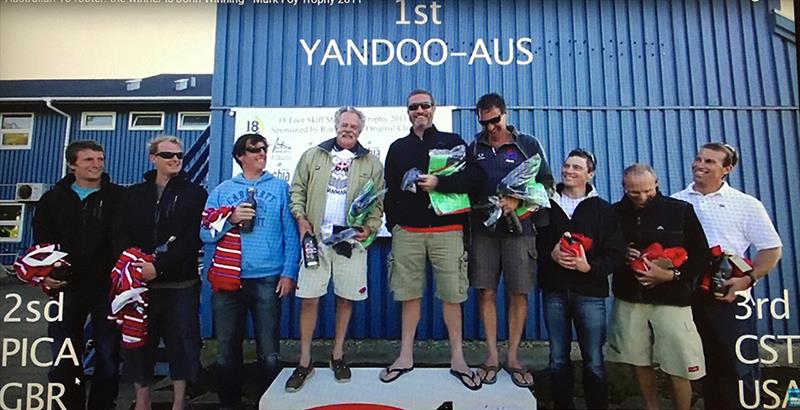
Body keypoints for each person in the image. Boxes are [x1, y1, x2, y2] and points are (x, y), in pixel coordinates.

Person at [381, 89, 483, 390]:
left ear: (434, 108)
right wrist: (395, 223)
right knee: (408, 295)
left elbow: (474, 181)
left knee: (452, 296)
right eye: (414, 107)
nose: (419, 111)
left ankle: (458, 359)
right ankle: (405, 356)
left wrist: (440, 183)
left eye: (425, 105)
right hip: (408, 235)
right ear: (408, 111)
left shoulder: (452, 142)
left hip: (447, 232)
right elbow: (389, 190)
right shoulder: (398, 147)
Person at [672, 143, 782, 410]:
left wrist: (748, 279)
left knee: (737, 364)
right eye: (698, 158)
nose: (700, 165)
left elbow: (771, 248)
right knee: (702, 362)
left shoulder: (745, 205)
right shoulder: (676, 202)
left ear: (727, 169)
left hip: (729, 294)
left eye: (709, 161)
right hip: (688, 293)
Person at [285, 106, 385, 391]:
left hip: (349, 243)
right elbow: (297, 190)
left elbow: (377, 204)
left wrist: (371, 227)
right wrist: (301, 218)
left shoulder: (372, 163)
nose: (348, 129)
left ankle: (337, 354)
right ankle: (304, 361)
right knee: (309, 299)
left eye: (354, 125)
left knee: (345, 299)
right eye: (344, 124)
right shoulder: (313, 155)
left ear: (361, 130)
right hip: (315, 241)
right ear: (336, 125)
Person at [201, 133, 301, 409]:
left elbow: (290, 235)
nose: (261, 153)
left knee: (269, 353)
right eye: (254, 149)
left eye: (264, 149)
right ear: (240, 156)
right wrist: (230, 219)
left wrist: (289, 272)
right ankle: (229, 403)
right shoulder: (222, 190)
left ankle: (267, 403)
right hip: (229, 280)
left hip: (268, 277)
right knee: (225, 351)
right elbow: (204, 233)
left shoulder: (281, 187)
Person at [113, 135, 207, 410]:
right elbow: (120, 233)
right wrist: (135, 264)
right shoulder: (132, 194)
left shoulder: (195, 193)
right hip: (140, 284)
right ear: (153, 158)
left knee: (181, 343)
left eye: (179, 155)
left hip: (180, 284)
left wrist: (160, 266)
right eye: (168, 155)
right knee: (140, 343)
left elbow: (193, 238)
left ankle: (179, 401)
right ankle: (142, 398)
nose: (175, 160)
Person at [466, 93, 553, 388]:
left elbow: (547, 185)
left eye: (495, 120)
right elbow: (463, 187)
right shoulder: (473, 147)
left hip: (521, 231)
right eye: (484, 122)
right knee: (485, 293)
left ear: (505, 114)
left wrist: (518, 199)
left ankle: (513, 356)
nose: (491, 127)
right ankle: (491, 356)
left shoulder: (528, 144)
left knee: (518, 293)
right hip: (483, 232)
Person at [608, 164, 710, 410]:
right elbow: (605, 251)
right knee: (638, 360)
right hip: (631, 299)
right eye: (634, 193)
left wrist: (672, 275)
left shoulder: (680, 210)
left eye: (647, 192)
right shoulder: (614, 213)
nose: (642, 198)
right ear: (624, 188)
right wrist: (621, 253)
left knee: (680, 363)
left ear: (657, 184)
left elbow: (701, 255)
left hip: (673, 300)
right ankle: (652, 406)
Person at [32, 140, 124, 410]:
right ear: (72, 165)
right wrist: (44, 275)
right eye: (88, 160)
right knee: (63, 354)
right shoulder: (53, 199)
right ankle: (68, 404)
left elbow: (125, 238)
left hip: (106, 287)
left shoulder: (118, 197)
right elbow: (42, 241)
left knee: (108, 354)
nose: (97, 164)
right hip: (65, 286)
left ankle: (102, 405)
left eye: (100, 159)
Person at [537, 149, 626, 409]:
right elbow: (532, 244)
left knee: (594, 360)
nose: (569, 171)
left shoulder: (604, 210)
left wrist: (590, 267)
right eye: (566, 166)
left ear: (590, 173)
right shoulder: (546, 204)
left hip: (591, 294)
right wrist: (550, 254)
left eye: (577, 167)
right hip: (554, 291)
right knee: (557, 358)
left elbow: (616, 253)